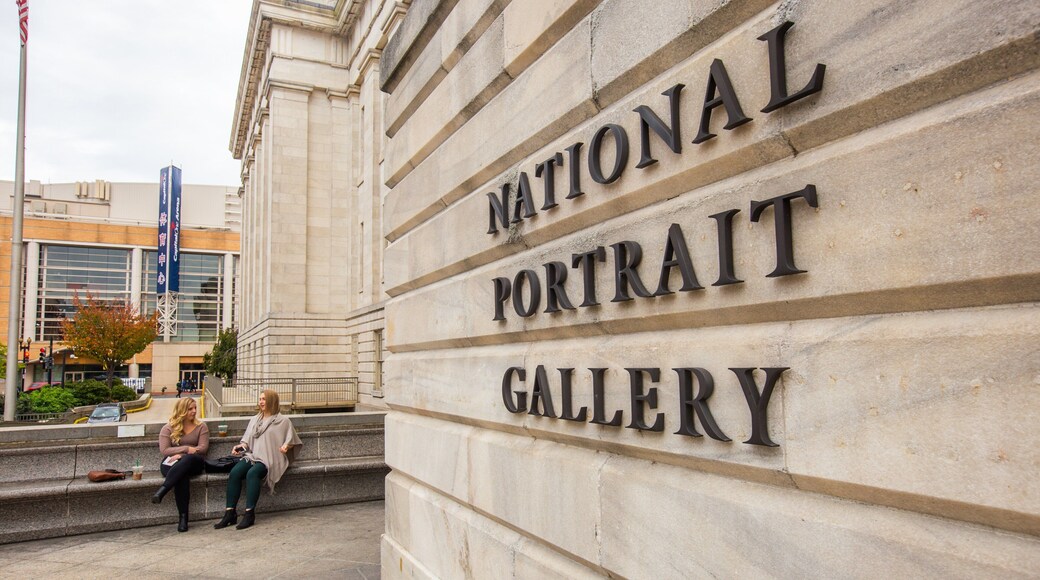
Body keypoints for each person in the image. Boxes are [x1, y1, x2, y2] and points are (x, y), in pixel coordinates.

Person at [214, 389, 302, 530]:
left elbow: (291, 440)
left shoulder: (283, 421)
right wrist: (240, 447)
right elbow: (247, 442)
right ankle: (230, 513)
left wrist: (285, 446)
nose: (261, 402)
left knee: (252, 473)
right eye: (260, 399)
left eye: (264, 399)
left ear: (272, 401)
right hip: (253, 456)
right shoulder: (255, 420)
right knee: (235, 473)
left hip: (270, 458)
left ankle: (249, 514)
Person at [153, 397, 209, 532]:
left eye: (195, 408)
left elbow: (202, 448)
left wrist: (183, 454)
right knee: (181, 476)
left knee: (187, 461)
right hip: (172, 462)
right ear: (182, 410)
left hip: (194, 462)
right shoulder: (168, 428)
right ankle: (183, 519)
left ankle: (163, 490)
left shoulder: (201, 427)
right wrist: (186, 449)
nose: (194, 411)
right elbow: (165, 450)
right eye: (190, 409)